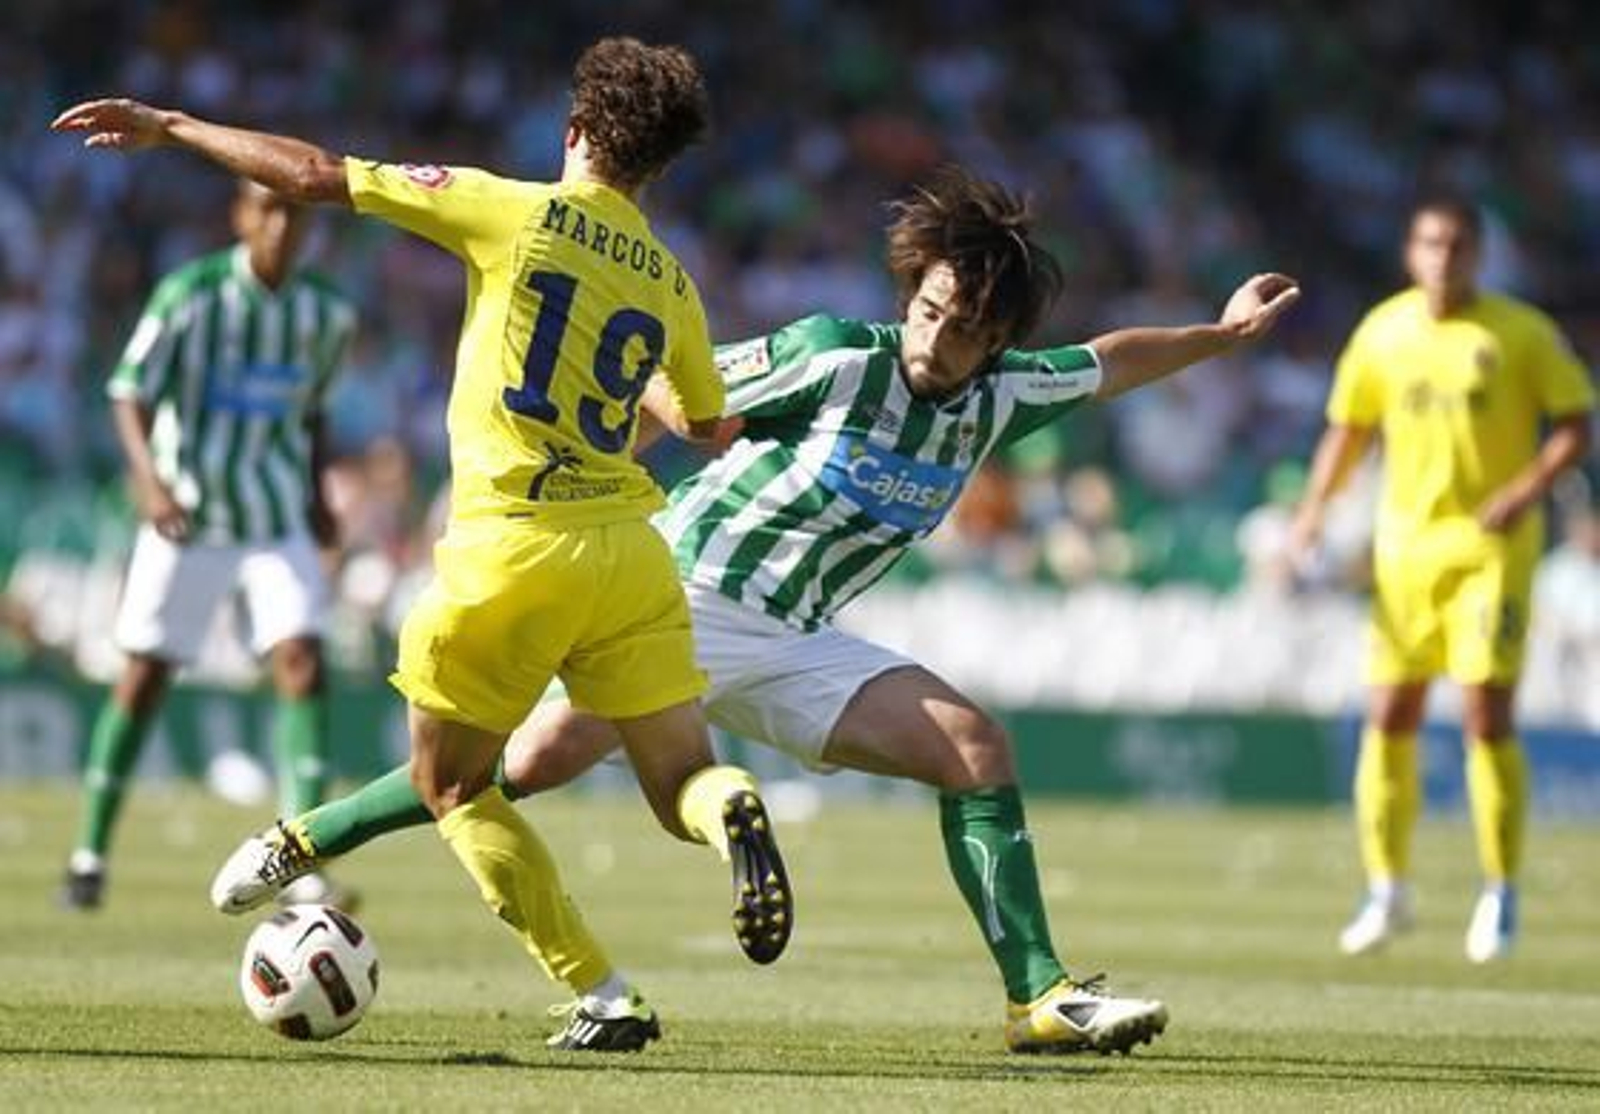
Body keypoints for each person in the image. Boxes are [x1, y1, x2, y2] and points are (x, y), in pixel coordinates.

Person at [208, 166, 1300, 1054]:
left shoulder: (1008, 395)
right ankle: (299, 839)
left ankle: (1039, 996)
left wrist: (1222, 334)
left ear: (995, 340)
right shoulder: (832, 358)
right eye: (924, 310)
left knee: (976, 746)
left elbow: (1110, 362)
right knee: (506, 770)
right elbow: (668, 393)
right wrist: (601, 482)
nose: (932, 339)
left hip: (796, 636)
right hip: (674, 596)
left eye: (961, 328)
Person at [53, 34, 795, 1050]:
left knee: (453, 785)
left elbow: (315, 177)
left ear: (574, 131)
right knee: (679, 788)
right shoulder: (670, 281)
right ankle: (736, 805)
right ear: (660, 165)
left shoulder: (511, 208)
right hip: (627, 552)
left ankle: (604, 993)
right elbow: (704, 421)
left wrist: (175, 126)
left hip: (512, 550)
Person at [1291, 195, 1594, 963]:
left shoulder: (1519, 333)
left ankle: (1500, 888)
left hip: (1491, 550)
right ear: (1410, 251)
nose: (1443, 257)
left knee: (1486, 716)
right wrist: (1312, 512)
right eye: (1430, 243)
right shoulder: (1383, 331)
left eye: (1457, 244)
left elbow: (1575, 423)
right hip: (1403, 551)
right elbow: (1348, 429)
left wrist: (1524, 491)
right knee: (1389, 714)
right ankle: (1386, 889)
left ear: (1477, 254)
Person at [58, 180, 356, 912]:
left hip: (276, 516)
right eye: (270, 209)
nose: (283, 226)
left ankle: (302, 859)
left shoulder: (328, 313)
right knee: (145, 677)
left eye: (296, 212)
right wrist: (149, 481)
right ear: (242, 216)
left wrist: (318, 495)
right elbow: (128, 388)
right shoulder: (190, 295)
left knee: (303, 661)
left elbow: (312, 411)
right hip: (187, 516)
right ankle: (89, 854)